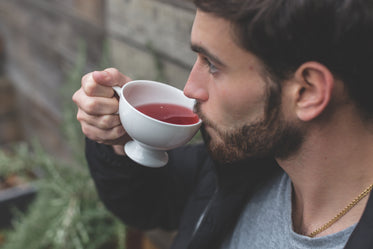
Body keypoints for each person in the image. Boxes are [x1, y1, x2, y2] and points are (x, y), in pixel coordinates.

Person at [72, 0, 373, 248]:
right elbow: (145, 203)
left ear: (307, 92)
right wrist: (121, 137)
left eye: (212, 65)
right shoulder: (247, 163)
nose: (190, 89)